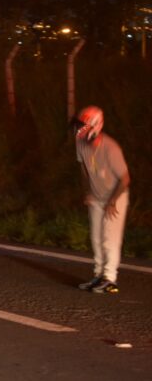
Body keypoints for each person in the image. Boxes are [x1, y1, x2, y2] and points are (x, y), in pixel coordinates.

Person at [74, 106, 130, 294]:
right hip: (96, 196)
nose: (79, 130)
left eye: (83, 126)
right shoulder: (80, 142)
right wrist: (87, 191)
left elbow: (125, 179)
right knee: (96, 238)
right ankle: (98, 275)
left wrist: (113, 201)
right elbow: (83, 168)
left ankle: (110, 279)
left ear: (95, 126)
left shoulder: (110, 147)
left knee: (110, 239)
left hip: (115, 197)